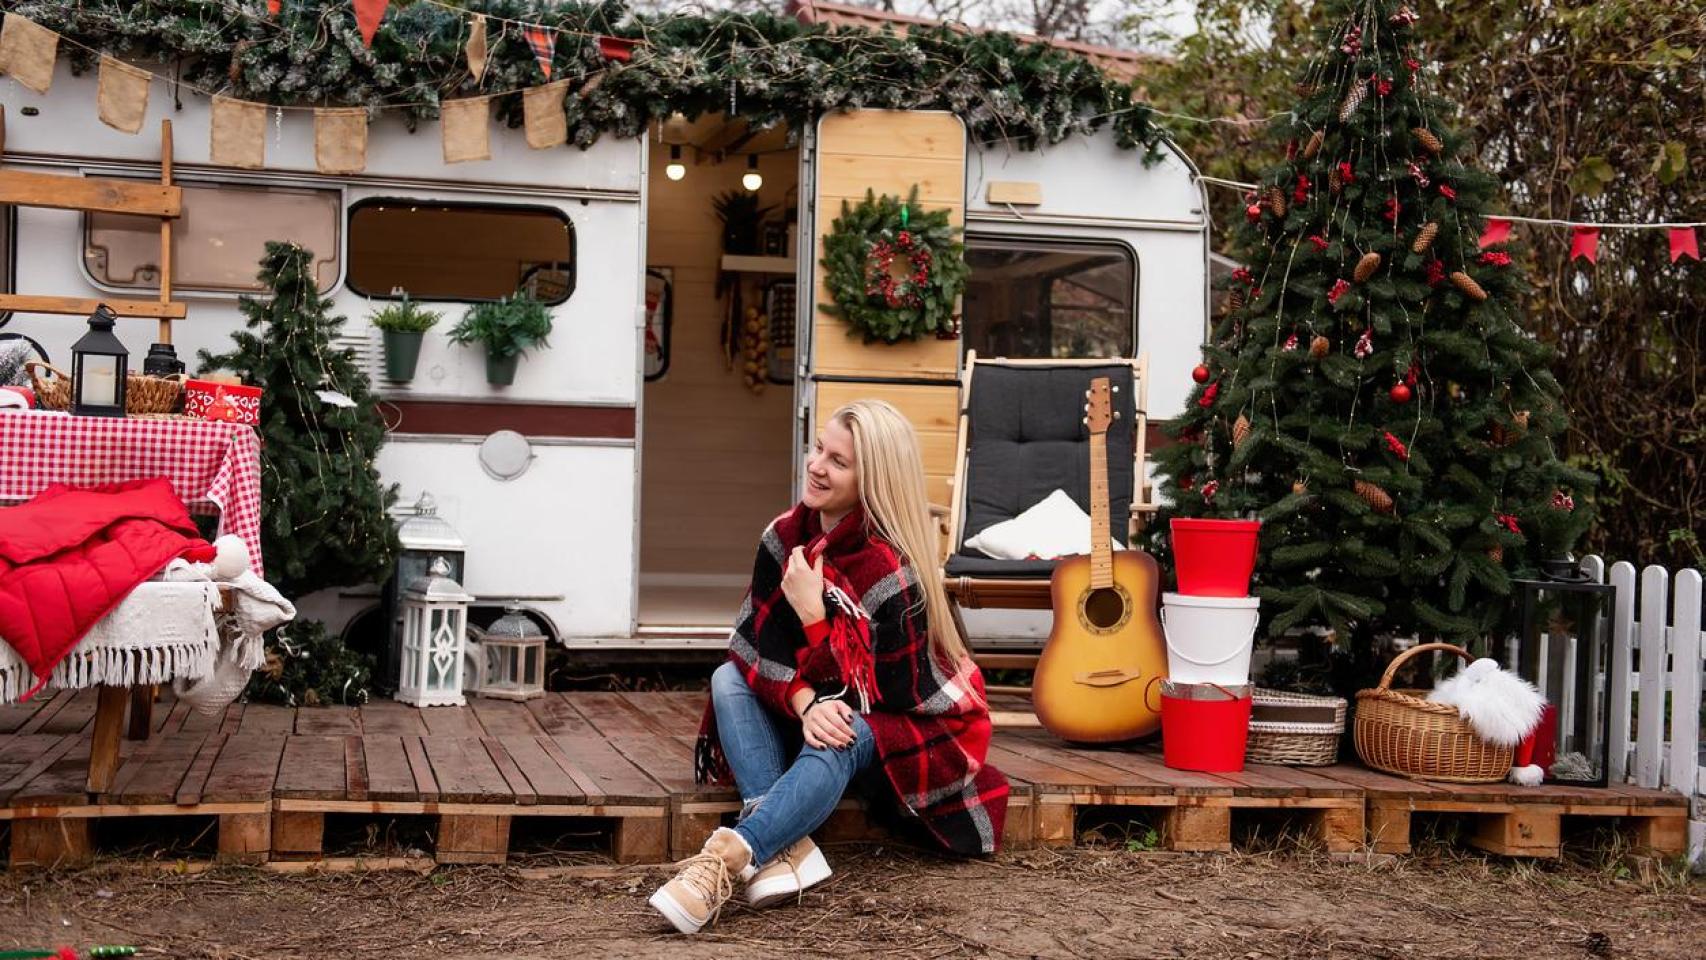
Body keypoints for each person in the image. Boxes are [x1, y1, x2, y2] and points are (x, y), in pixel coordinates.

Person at [648, 399, 1008, 934]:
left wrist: (815, 618)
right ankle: (785, 848)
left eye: (838, 461)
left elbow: (882, 697)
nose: (816, 465)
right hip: (823, 704)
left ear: (873, 480)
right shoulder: (783, 537)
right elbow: (751, 647)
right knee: (728, 680)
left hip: (913, 726)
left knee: (839, 732)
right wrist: (803, 700)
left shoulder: (893, 570)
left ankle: (724, 861)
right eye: (819, 449)